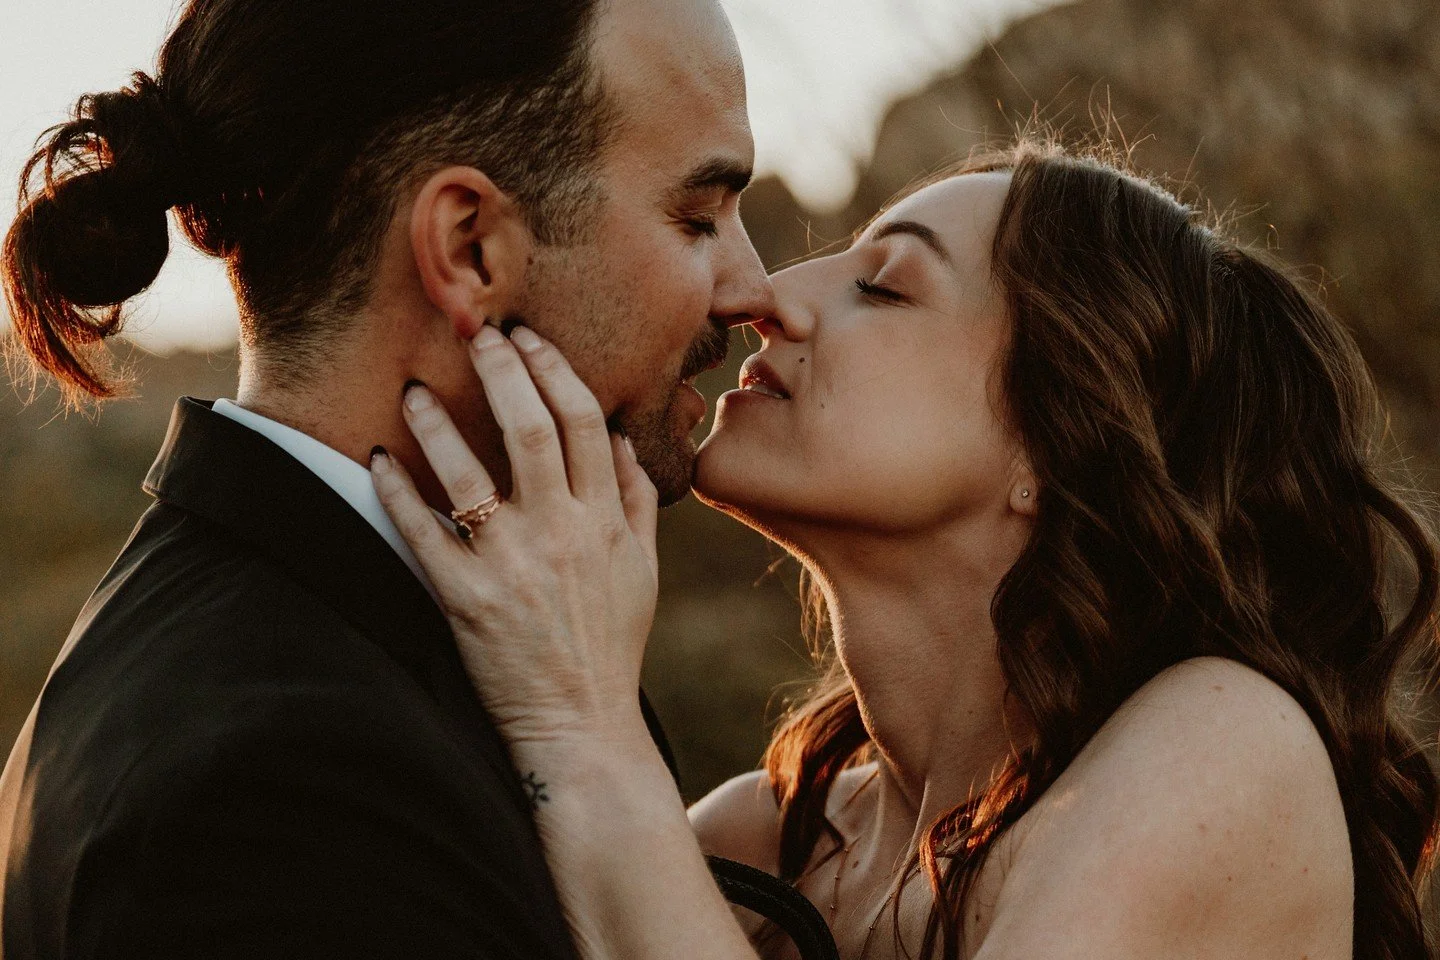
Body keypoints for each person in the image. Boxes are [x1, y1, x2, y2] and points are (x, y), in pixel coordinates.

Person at [373, 139, 1440, 960]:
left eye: (882, 286)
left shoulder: (1226, 744)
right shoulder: (757, 845)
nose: (765, 299)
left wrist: (579, 723)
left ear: (1062, 444)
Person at [0, 0, 775, 955]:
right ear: (468, 248)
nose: (754, 288)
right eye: (698, 218)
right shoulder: (274, 797)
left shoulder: (423, 639)